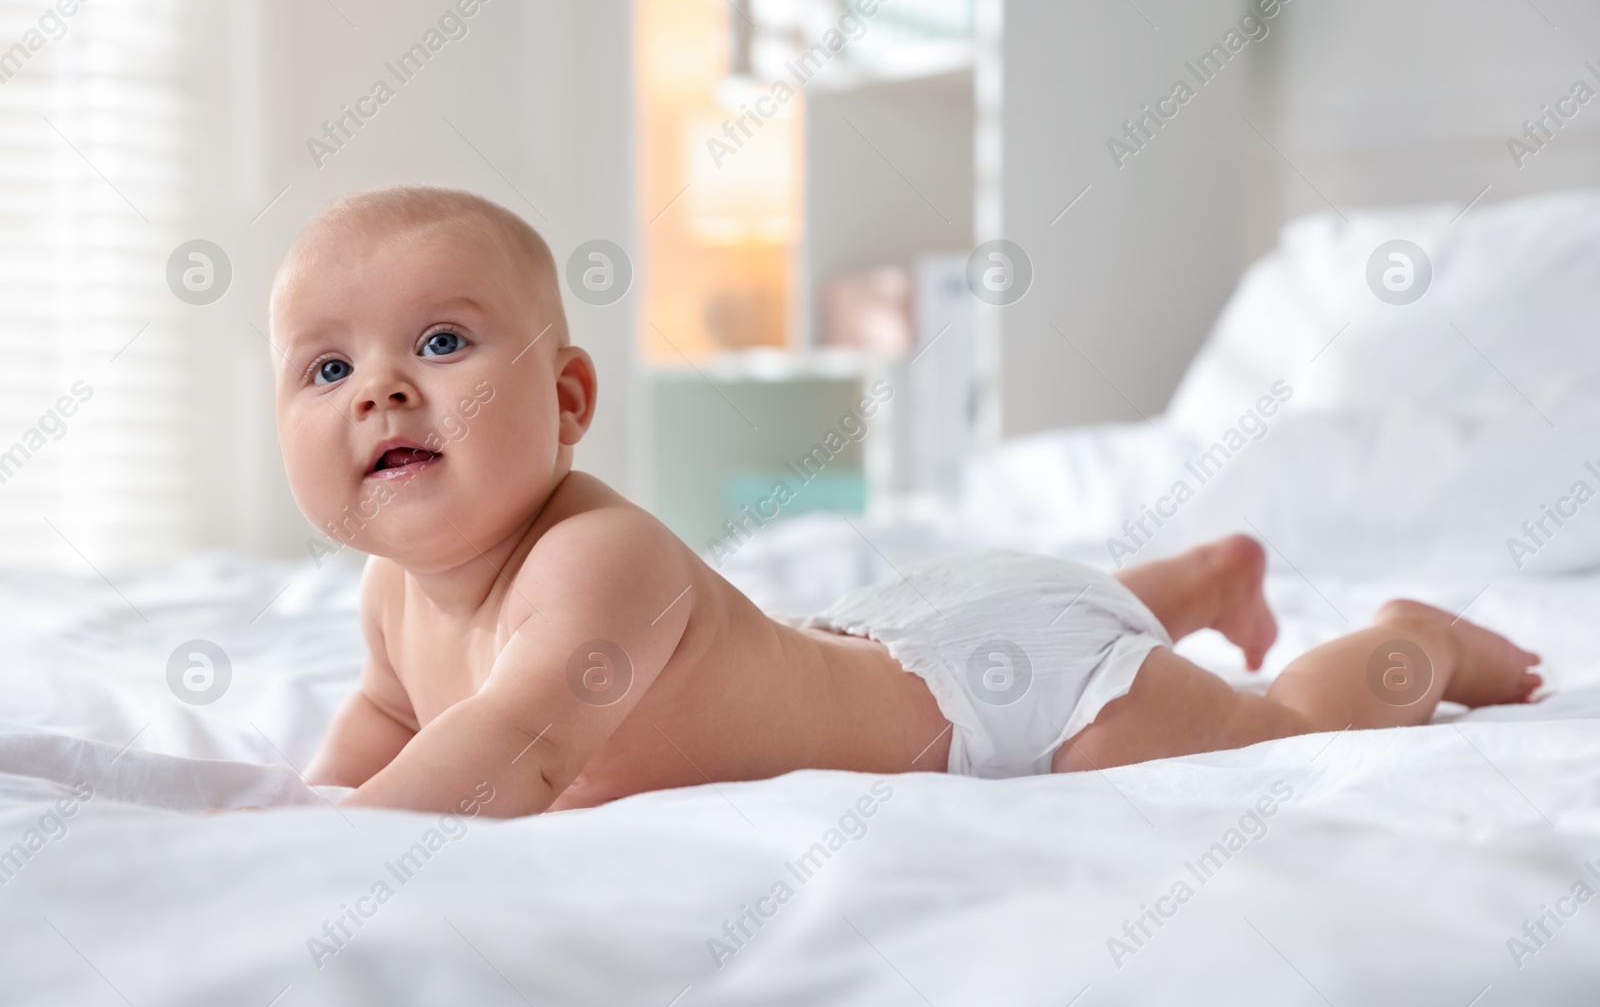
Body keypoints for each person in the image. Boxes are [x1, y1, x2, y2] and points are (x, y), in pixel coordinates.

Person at [269, 186, 1541, 817]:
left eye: (439, 343)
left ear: (568, 398)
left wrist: (323, 856)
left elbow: (522, 747)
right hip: (912, 627)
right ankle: (1197, 580)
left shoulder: (594, 559)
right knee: (1025, 616)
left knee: (1263, 728)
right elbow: (376, 734)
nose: (377, 390)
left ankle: (1406, 640)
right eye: (327, 367)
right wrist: (298, 810)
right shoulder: (393, 596)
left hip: (1002, 695)